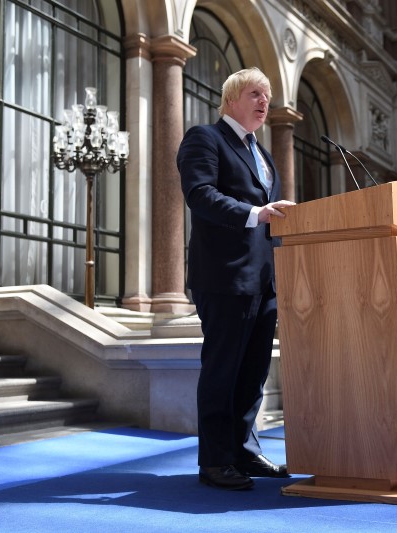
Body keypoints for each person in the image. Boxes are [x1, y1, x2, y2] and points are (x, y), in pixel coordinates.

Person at [177, 67, 295, 491]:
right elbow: (200, 195)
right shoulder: (205, 138)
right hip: (224, 277)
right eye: (255, 93)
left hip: (264, 280)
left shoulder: (263, 155)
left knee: (253, 373)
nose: (265, 101)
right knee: (222, 370)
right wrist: (256, 213)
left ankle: (243, 449)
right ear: (230, 99)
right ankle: (214, 460)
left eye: (268, 95)